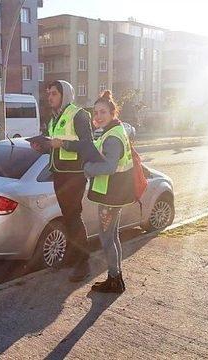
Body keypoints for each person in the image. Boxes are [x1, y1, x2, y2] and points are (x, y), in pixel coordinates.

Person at [32, 80, 103, 282]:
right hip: (59, 173)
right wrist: (42, 146)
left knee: (73, 217)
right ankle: (72, 258)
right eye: (49, 93)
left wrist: (63, 143)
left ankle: (83, 263)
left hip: (74, 175)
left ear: (65, 95)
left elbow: (88, 145)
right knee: (68, 217)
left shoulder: (79, 114)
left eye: (54, 93)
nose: (50, 97)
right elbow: (54, 144)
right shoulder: (55, 118)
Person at [84, 90, 135, 293]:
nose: (98, 116)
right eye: (95, 112)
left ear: (113, 112)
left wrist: (87, 169)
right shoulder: (114, 130)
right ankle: (116, 278)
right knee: (112, 237)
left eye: (103, 112)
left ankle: (114, 280)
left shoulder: (112, 137)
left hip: (110, 196)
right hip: (114, 193)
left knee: (107, 239)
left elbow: (109, 167)